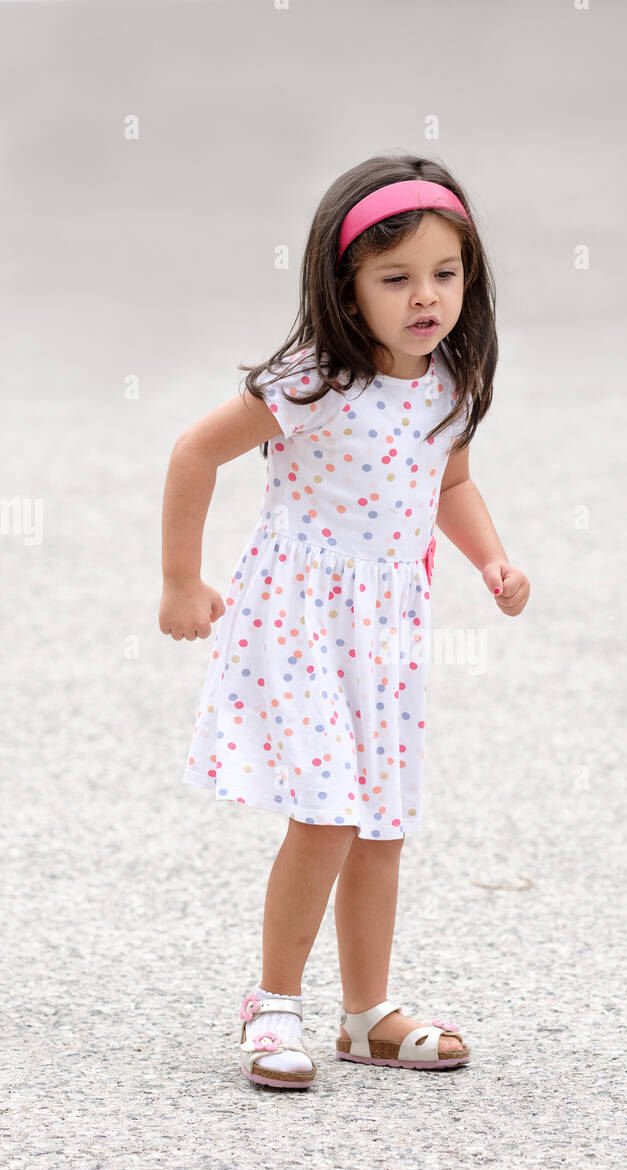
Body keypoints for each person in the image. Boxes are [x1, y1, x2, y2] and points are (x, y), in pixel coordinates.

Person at [159, 154, 530, 1089]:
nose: (425, 298)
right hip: (298, 623)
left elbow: (451, 481)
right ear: (344, 284)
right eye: (395, 278)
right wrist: (180, 581)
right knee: (326, 817)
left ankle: (365, 1013)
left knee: (381, 825)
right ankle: (273, 1003)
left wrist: (489, 557)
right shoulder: (311, 382)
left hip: (389, 635)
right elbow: (196, 451)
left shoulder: (450, 379)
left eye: (445, 274)